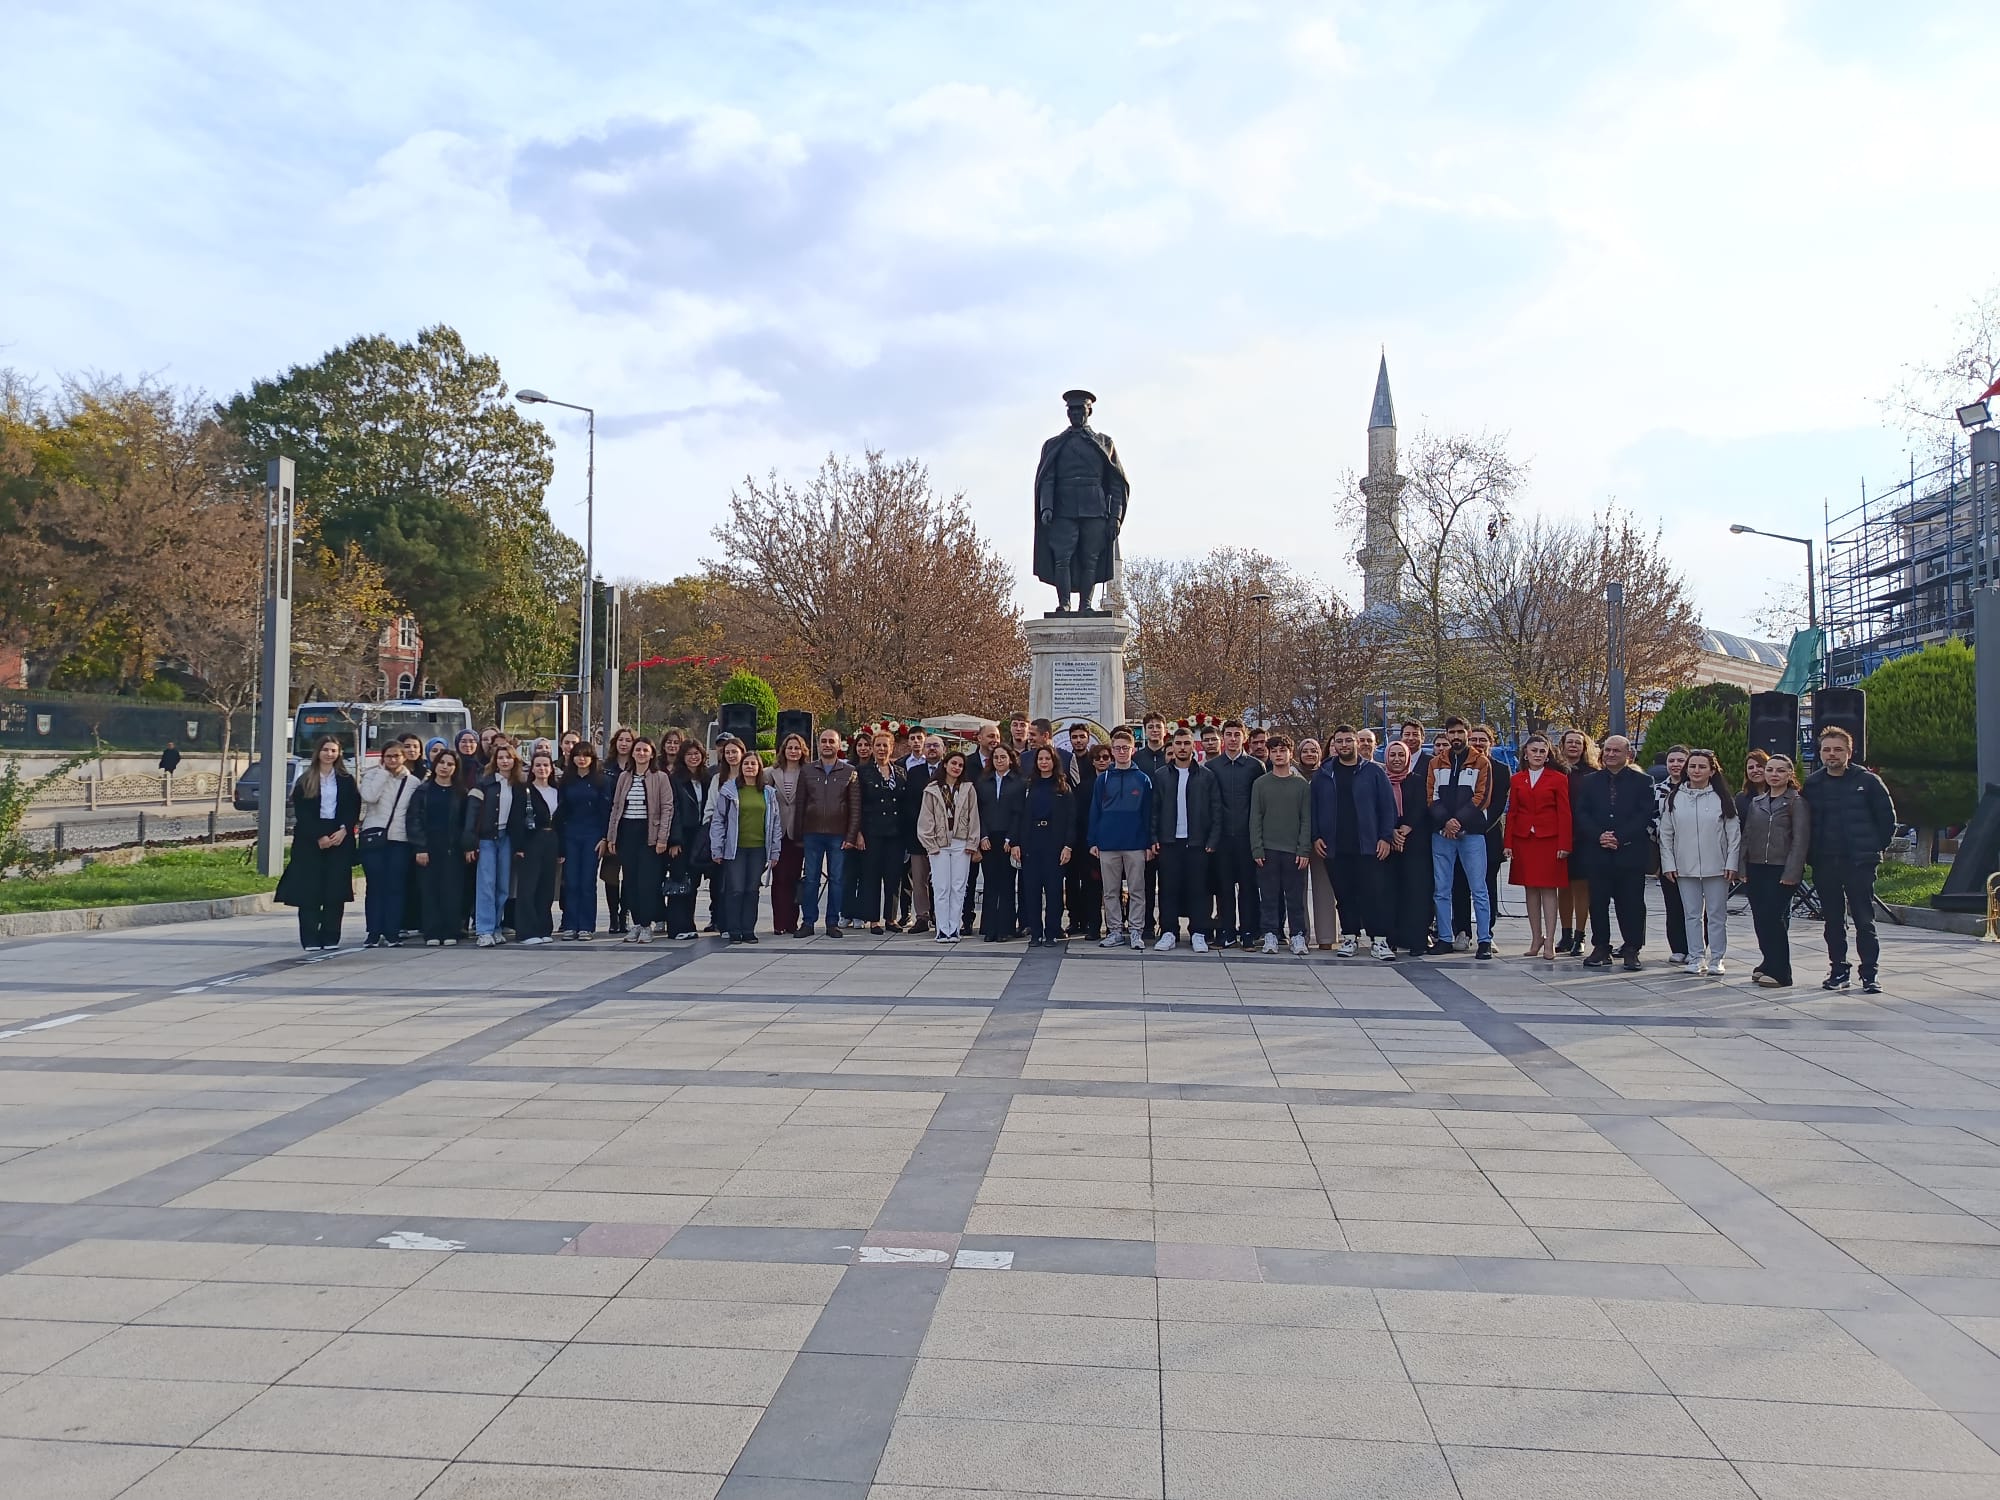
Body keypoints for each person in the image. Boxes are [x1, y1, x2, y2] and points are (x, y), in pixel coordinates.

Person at [1801, 726, 1896, 994]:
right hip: (1824, 862)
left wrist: (1874, 849)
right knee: (1833, 921)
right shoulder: (1813, 783)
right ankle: (1838, 970)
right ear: (1820, 753)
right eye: (1827, 749)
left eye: (1837, 749)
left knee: (1865, 920)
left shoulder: (1868, 781)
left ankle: (1870, 974)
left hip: (1859, 863)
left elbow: (1887, 821)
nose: (1832, 754)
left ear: (1849, 752)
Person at [1310, 726, 1398, 960]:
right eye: (1340, 741)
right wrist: (1316, 836)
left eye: (1349, 740)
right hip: (1335, 846)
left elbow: (1387, 807)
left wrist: (1386, 837)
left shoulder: (1373, 772)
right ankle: (1349, 937)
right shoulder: (1323, 773)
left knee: (1373, 894)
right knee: (1345, 894)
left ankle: (1379, 940)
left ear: (1357, 743)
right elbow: (1313, 808)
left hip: (1368, 845)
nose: (1345, 745)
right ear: (1334, 745)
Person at [1572, 734, 1657, 970]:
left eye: (1616, 751)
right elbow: (1582, 813)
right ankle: (1600, 947)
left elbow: (1644, 815)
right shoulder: (1590, 781)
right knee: (1597, 902)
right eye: (1607, 750)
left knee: (1631, 903)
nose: (1610, 754)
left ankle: (1632, 948)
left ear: (1628, 755)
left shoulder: (1643, 781)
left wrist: (1619, 837)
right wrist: (1600, 835)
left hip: (1629, 853)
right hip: (1598, 853)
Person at [1659, 748, 1741, 977]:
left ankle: (1717, 957)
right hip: (1685, 867)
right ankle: (1695, 957)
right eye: (1692, 766)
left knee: (1716, 915)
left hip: (1717, 867)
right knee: (1691, 914)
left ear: (1712, 770)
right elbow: (1666, 834)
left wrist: (1731, 863)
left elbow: (1734, 835)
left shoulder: (1723, 799)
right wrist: (1669, 864)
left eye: (1702, 766)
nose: (1696, 770)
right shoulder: (1674, 797)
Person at [275, 736, 359, 950]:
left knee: (334, 891)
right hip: (310, 841)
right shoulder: (306, 779)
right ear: (318, 752)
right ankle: (310, 938)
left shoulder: (346, 780)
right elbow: (303, 813)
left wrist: (343, 830)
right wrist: (319, 836)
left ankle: (330, 936)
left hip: (339, 836)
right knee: (309, 891)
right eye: (325, 750)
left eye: (333, 750)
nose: (329, 754)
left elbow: (352, 808)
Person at [1426, 718, 1496, 960]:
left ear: (1467, 733)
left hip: (1472, 833)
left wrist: (1458, 821)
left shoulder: (1481, 761)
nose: (1456, 736)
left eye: (1460, 732)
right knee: (1441, 889)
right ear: (1446, 734)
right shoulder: (1436, 762)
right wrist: (1446, 821)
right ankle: (1445, 938)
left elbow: (1482, 797)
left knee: (1479, 888)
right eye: (1451, 732)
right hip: (1442, 834)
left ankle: (1485, 939)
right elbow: (1431, 797)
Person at [1742, 752, 1810, 988]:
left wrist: (1792, 872)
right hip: (1756, 866)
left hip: (1781, 868)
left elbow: (1800, 840)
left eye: (1780, 770)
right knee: (1760, 918)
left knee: (1774, 917)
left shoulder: (1796, 802)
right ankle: (1768, 962)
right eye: (1770, 769)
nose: (1773, 774)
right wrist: (1743, 866)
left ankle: (1782, 971)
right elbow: (1748, 835)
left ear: (1790, 774)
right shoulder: (1757, 802)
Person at [1152, 725, 1221, 952]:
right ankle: (1169, 932)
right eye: (1178, 744)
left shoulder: (1206, 776)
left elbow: (1215, 810)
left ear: (1193, 746)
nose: (1182, 748)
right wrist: (1154, 837)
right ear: (1172, 746)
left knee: (1199, 890)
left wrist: (1212, 840)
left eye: (1186, 743)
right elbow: (1154, 810)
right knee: (1168, 889)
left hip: (1197, 842)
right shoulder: (1162, 775)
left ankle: (1199, 932)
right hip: (1170, 842)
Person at [1503, 733, 1571, 959]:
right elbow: (1512, 813)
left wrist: (1564, 843)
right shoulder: (1517, 779)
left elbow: (1564, 813)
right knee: (1530, 888)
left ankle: (1550, 940)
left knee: (1549, 889)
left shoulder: (1558, 778)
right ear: (1526, 753)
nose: (1538, 755)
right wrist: (1508, 842)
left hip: (1549, 839)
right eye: (1534, 751)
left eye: (1543, 751)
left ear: (1548, 754)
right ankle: (1536, 938)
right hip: (1525, 840)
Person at [1088, 727, 1154, 950]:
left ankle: (1136, 931)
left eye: (1126, 748)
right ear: (1112, 751)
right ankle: (1115, 930)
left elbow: (1148, 813)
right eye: (1117, 748)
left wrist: (1148, 842)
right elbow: (1095, 810)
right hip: (1108, 843)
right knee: (1110, 891)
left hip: (1135, 844)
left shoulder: (1143, 779)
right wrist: (1093, 841)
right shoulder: (1103, 779)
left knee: (1137, 890)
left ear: (1133, 750)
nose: (1122, 752)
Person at [1249, 734, 1313, 955]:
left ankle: (1297, 935)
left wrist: (1304, 848)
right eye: (1274, 751)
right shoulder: (1261, 784)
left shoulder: (1301, 785)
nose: (1278, 754)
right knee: (1268, 896)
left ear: (1290, 753)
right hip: (1268, 849)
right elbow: (1255, 817)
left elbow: (1306, 819)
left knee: (1295, 897)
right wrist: (1257, 847)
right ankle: (1270, 934)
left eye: (1282, 750)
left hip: (1293, 851)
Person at [710, 749, 780, 943]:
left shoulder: (768, 792)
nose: (750, 767)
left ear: (759, 768)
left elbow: (775, 823)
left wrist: (775, 850)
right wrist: (717, 847)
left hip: (758, 849)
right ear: (741, 767)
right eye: (746, 764)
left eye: (753, 764)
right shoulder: (729, 790)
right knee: (736, 889)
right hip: (735, 849)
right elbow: (718, 821)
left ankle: (748, 929)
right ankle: (734, 930)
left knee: (752, 890)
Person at [608, 737, 673, 943]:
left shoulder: (660, 777)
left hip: (649, 835)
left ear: (652, 754)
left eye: (645, 750)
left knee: (647, 882)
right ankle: (636, 923)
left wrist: (662, 838)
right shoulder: (624, 777)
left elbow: (667, 808)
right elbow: (616, 807)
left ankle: (646, 925)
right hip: (627, 833)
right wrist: (612, 836)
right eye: (638, 750)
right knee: (630, 881)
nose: (641, 753)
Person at [1207, 719, 1265, 949]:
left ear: (1244, 738)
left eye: (1237, 735)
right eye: (1229, 734)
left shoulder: (1254, 767)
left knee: (1249, 887)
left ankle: (1249, 931)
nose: (1233, 739)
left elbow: (1260, 805)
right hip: (1222, 838)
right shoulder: (1212, 767)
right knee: (1224, 888)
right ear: (1223, 738)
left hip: (1246, 837)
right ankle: (1227, 931)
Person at [798, 729, 860, 937]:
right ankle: (807, 922)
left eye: (831, 741)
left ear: (838, 745)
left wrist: (851, 836)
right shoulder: (807, 771)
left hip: (838, 834)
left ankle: (832, 922)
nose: (827, 745)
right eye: (823, 741)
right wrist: (799, 833)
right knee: (811, 879)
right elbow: (800, 803)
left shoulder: (849, 771)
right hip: (812, 833)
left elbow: (855, 807)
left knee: (836, 879)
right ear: (818, 744)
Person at [1010, 746, 1074, 945]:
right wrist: (1015, 843)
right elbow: (1018, 816)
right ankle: (1036, 932)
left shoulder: (1063, 786)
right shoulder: (1028, 785)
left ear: (1054, 762)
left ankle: (1052, 930)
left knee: (1054, 890)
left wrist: (1068, 846)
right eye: (1040, 759)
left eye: (1047, 758)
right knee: (1031, 889)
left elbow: (1072, 819)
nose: (1044, 762)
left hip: (1054, 842)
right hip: (1031, 842)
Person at [357, 737, 416, 948]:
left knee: (395, 887)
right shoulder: (372, 775)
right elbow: (370, 797)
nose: (392, 759)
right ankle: (373, 931)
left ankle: (392, 931)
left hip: (400, 840)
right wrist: (383, 773)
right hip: (374, 837)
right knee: (375, 886)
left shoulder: (412, 782)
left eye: (396, 756)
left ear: (404, 757)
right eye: (388, 756)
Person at [464, 740, 524, 948]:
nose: (504, 761)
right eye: (500, 757)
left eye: (508, 757)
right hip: (487, 838)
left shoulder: (518, 785)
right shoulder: (484, 783)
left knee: (503, 887)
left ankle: (497, 926)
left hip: (507, 838)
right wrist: (470, 843)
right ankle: (484, 929)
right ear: (495, 761)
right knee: (486, 885)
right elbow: (471, 814)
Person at [1453, 724, 1509, 940]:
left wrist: (1474, 826)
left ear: (1490, 743)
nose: (1477, 743)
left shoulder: (1502, 770)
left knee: (1487, 887)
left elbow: (1497, 806)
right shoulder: (1458, 765)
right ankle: (1462, 931)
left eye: (1482, 739)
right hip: (1460, 835)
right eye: (1473, 739)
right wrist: (1460, 825)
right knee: (1460, 885)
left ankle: (1487, 933)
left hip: (1488, 836)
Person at [919, 749, 981, 944]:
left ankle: (954, 928)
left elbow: (974, 817)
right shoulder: (932, 789)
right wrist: (930, 844)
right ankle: (942, 929)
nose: (956, 767)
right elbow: (925, 819)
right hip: (939, 842)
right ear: (945, 764)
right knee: (941, 886)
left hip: (961, 842)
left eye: (960, 765)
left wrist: (973, 842)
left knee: (958, 886)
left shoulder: (968, 789)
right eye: (953, 763)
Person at [408, 748, 469, 946]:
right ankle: (432, 932)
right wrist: (420, 848)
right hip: (428, 847)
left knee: (452, 890)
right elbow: (414, 819)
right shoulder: (423, 790)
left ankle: (451, 930)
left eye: (450, 764)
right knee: (429, 890)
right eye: (442, 762)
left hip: (453, 848)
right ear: (435, 765)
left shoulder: (461, 792)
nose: (445, 767)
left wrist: (467, 845)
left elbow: (466, 822)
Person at [555, 740, 610, 939]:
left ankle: (586, 925)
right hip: (571, 835)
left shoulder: (601, 781)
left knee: (587, 881)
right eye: (578, 755)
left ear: (592, 758)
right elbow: (560, 813)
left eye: (586, 755)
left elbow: (606, 811)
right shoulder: (566, 781)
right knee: (571, 882)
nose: (581, 759)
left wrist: (605, 837)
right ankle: (570, 924)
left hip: (593, 836)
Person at [1552, 729, 1599, 955]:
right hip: (1558, 835)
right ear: (1562, 745)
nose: (1573, 746)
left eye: (1577, 743)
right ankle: (1566, 934)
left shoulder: (1592, 773)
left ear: (1584, 747)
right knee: (1563, 887)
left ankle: (1580, 936)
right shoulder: (1554, 771)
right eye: (1569, 742)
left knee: (1581, 886)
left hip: (1583, 837)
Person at [1383, 738, 1430, 957]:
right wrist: (1391, 831)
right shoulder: (1380, 781)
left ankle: (1417, 940)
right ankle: (1391, 938)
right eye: (1392, 755)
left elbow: (1422, 807)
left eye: (1401, 755)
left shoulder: (1418, 780)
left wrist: (1405, 828)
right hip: (1388, 844)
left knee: (1416, 892)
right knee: (1390, 892)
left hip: (1415, 844)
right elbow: (1377, 808)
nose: (1397, 759)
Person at [857, 731, 908, 936]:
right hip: (872, 831)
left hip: (896, 832)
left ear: (892, 747)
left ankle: (891, 917)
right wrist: (858, 833)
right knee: (871, 876)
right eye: (877, 745)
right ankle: (873, 919)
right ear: (872, 748)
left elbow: (905, 803)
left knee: (894, 876)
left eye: (885, 745)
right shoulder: (863, 772)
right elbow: (858, 804)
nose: (881, 749)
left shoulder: (901, 772)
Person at [512, 747, 563, 945]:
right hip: (531, 841)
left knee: (546, 887)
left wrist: (561, 849)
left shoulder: (556, 791)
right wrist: (519, 846)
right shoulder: (525, 791)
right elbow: (516, 819)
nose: (542, 768)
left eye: (546, 765)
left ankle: (543, 928)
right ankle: (526, 931)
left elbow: (562, 821)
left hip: (551, 841)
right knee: (528, 887)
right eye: (538, 765)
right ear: (532, 768)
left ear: (551, 768)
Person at [1293, 738, 1338, 949]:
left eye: (1314, 750)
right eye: (1306, 751)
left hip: (1322, 840)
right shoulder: (1292, 775)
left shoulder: (1327, 775)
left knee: (1324, 889)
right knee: (1298, 890)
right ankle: (1300, 933)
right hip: (1297, 840)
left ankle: (1327, 938)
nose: (1310, 754)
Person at [976, 742, 1022, 941]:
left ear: (1010, 759)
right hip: (988, 838)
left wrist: (1012, 838)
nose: (999, 761)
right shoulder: (984, 781)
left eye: (1003, 757)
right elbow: (979, 811)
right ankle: (989, 927)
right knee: (990, 883)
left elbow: (1019, 813)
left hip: (1008, 838)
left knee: (1006, 884)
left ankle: (1005, 928)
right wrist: (983, 836)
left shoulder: (1019, 782)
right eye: (996, 757)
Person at [666, 742, 712, 940]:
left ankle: (689, 923)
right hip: (682, 837)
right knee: (679, 882)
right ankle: (677, 926)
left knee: (692, 883)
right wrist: (674, 841)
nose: (694, 757)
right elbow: (673, 810)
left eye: (697, 753)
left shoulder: (707, 778)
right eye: (689, 754)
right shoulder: (675, 779)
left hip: (700, 837)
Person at [767, 733, 810, 936]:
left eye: (797, 748)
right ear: (783, 750)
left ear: (802, 751)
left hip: (799, 832)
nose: (793, 751)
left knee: (794, 878)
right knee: (779, 878)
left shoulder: (808, 773)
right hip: (777, 831)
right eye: (790, 748)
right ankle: (779, 922)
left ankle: (793, 921)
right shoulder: (771, 773)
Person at [1655, 745, 1693, 963]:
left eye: (1680, 760)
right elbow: (1651, 818)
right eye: (1672, 761)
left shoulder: (1697, 788)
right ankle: (1678, 947)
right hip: (1667, 852)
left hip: (1695, 853)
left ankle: (1696, 946)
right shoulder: (1659, 789)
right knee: (1673, 903)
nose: (1676, 765)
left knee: (1695, 904)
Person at [901, 735, 941, 934]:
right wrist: (921, 828)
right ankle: (922, 916)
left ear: (943, 748)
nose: (932, 748)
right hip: (919, 834)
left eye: (936, 745)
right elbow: (909, 803)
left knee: (942, 879)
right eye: (929, 745)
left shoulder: (950, 769)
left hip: (944, 836)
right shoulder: (914, 772)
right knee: (919, 879)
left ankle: (941, 915)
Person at [1070, 742, 1110, 939]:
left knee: (1113, 888)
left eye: (1105, 757)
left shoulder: (1117, 781)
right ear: (1092, 761)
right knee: (1091, 888)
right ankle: (1092, 926)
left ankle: (1113, 927)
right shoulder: (1084, 786)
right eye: (1098, 758)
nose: (1102, 761)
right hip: (1089, 845)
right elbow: (1078, 817)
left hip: (1113, 843)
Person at [601, 727, 637, 936]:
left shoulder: (639, 767)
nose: (624, 744)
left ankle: (625, 913)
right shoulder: (605, 768)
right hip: (611, 827)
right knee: (611, 874)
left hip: (632, 826)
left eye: (628, 740)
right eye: (620, 740)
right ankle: (614, 916)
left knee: (630, 875)